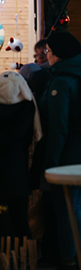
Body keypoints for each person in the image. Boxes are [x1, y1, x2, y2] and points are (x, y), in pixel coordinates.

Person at [40, 32, 81, 270]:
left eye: (47, 51)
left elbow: (58, 128)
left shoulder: (61, 82)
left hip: (71, 158)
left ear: (58, 54)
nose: (46, 56)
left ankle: (69, 262)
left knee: (68, 209)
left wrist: (50, 164)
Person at [0, 71, 40, 238]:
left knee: (2, 217)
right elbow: (38, 135)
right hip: (19, 171)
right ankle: (22, 257)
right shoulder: (28, 107)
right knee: (20, 217)